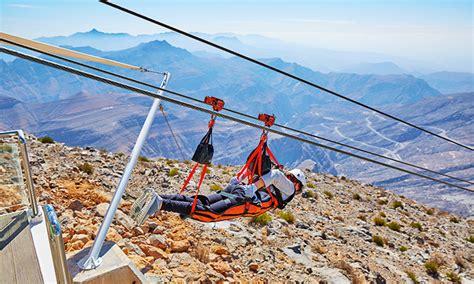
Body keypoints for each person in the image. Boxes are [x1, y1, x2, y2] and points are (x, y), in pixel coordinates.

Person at [130, 168, 306, 225]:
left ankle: (159, 197)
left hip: (239, 192)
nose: (296, 191)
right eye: (298, 187)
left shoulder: (276, 187)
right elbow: (275, 174)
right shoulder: (289, 189)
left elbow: (262, 173)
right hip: (244, 199)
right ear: (296, 182)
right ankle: (160, 203)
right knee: (209, 213)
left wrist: (240, 181)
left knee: (201, 201)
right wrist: (252, 188)